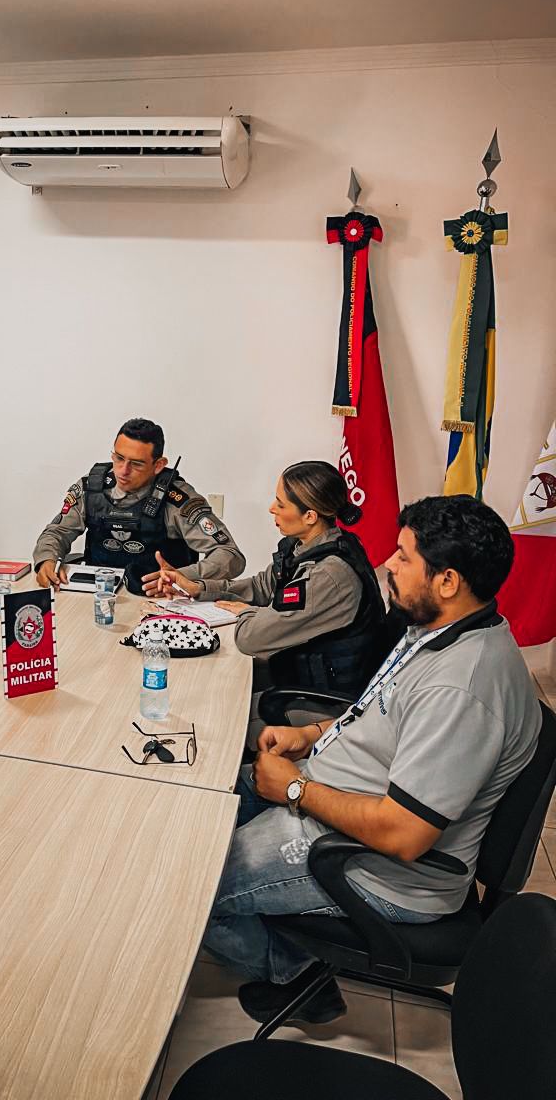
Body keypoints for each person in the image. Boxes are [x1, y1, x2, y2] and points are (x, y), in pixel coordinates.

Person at [203, 494, 541, 1026]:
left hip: (375, 865)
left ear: (448, 581)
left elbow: (405, 835)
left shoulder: (461, 689)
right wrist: (311, 734)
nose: (388, 565)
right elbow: (381, 716)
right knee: (201, 805)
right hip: (332, 794)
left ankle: (293, 976)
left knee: (190, 884)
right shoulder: (437, 630)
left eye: (404, 556)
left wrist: (294, 790)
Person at [144, 460, 388, 699]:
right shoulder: (307, 546)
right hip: (296, 670)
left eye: (281, 504)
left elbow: (250, 638)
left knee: (214, 694)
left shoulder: (327, 575)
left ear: (310, 516)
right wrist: (198, 588)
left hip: (322, 698)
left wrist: (248, 612)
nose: (272, 508)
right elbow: (261, 586)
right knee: (206, 681)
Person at [32, 418, 245, 595]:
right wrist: (47, 560)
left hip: (161, 598)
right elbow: (57, 532)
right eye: (119, 458)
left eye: (136, 463)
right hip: (99, 594)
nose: (123, 471)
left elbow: (230, 555)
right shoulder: (92, 489)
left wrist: (184, 576)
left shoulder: (177, 500)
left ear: (158, 465)